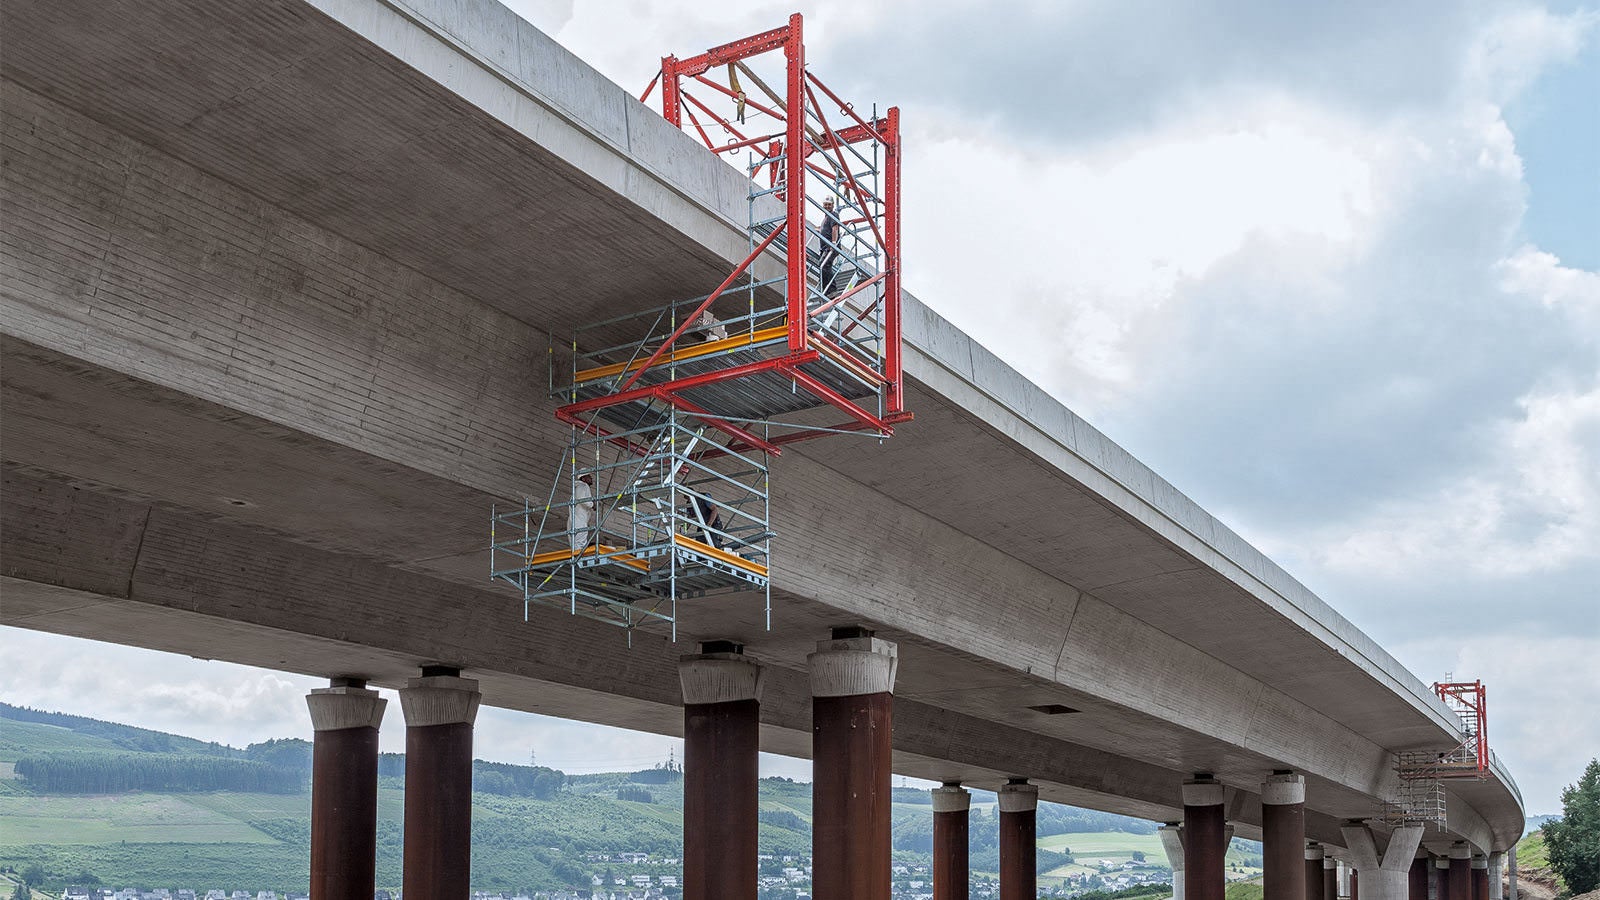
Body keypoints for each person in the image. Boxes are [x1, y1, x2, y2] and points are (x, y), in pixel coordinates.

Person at [816, 195, 843, 297]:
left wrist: (834, 243)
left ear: (832, 205)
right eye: (825, 204)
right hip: (825, 248)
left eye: (829, 205)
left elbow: (835, 228)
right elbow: (826, 230)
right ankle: (825, 289)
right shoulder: (826, 217)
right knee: (823, 265)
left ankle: (831, 290)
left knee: (825, 266)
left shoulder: (833, 215)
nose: (827, 206)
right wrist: (819, 230)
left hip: (830, 247)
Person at [567, 473, 595, 552]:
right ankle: (579, 559)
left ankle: (576, 559)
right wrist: (592, 504)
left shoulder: (578, 487)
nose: (591, 478)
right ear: (583, 479)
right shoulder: (583, 486)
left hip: (577, 518)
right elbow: (581, 499)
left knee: (576, 542)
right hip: (579, 519)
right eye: (589, 477)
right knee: (580, 540)